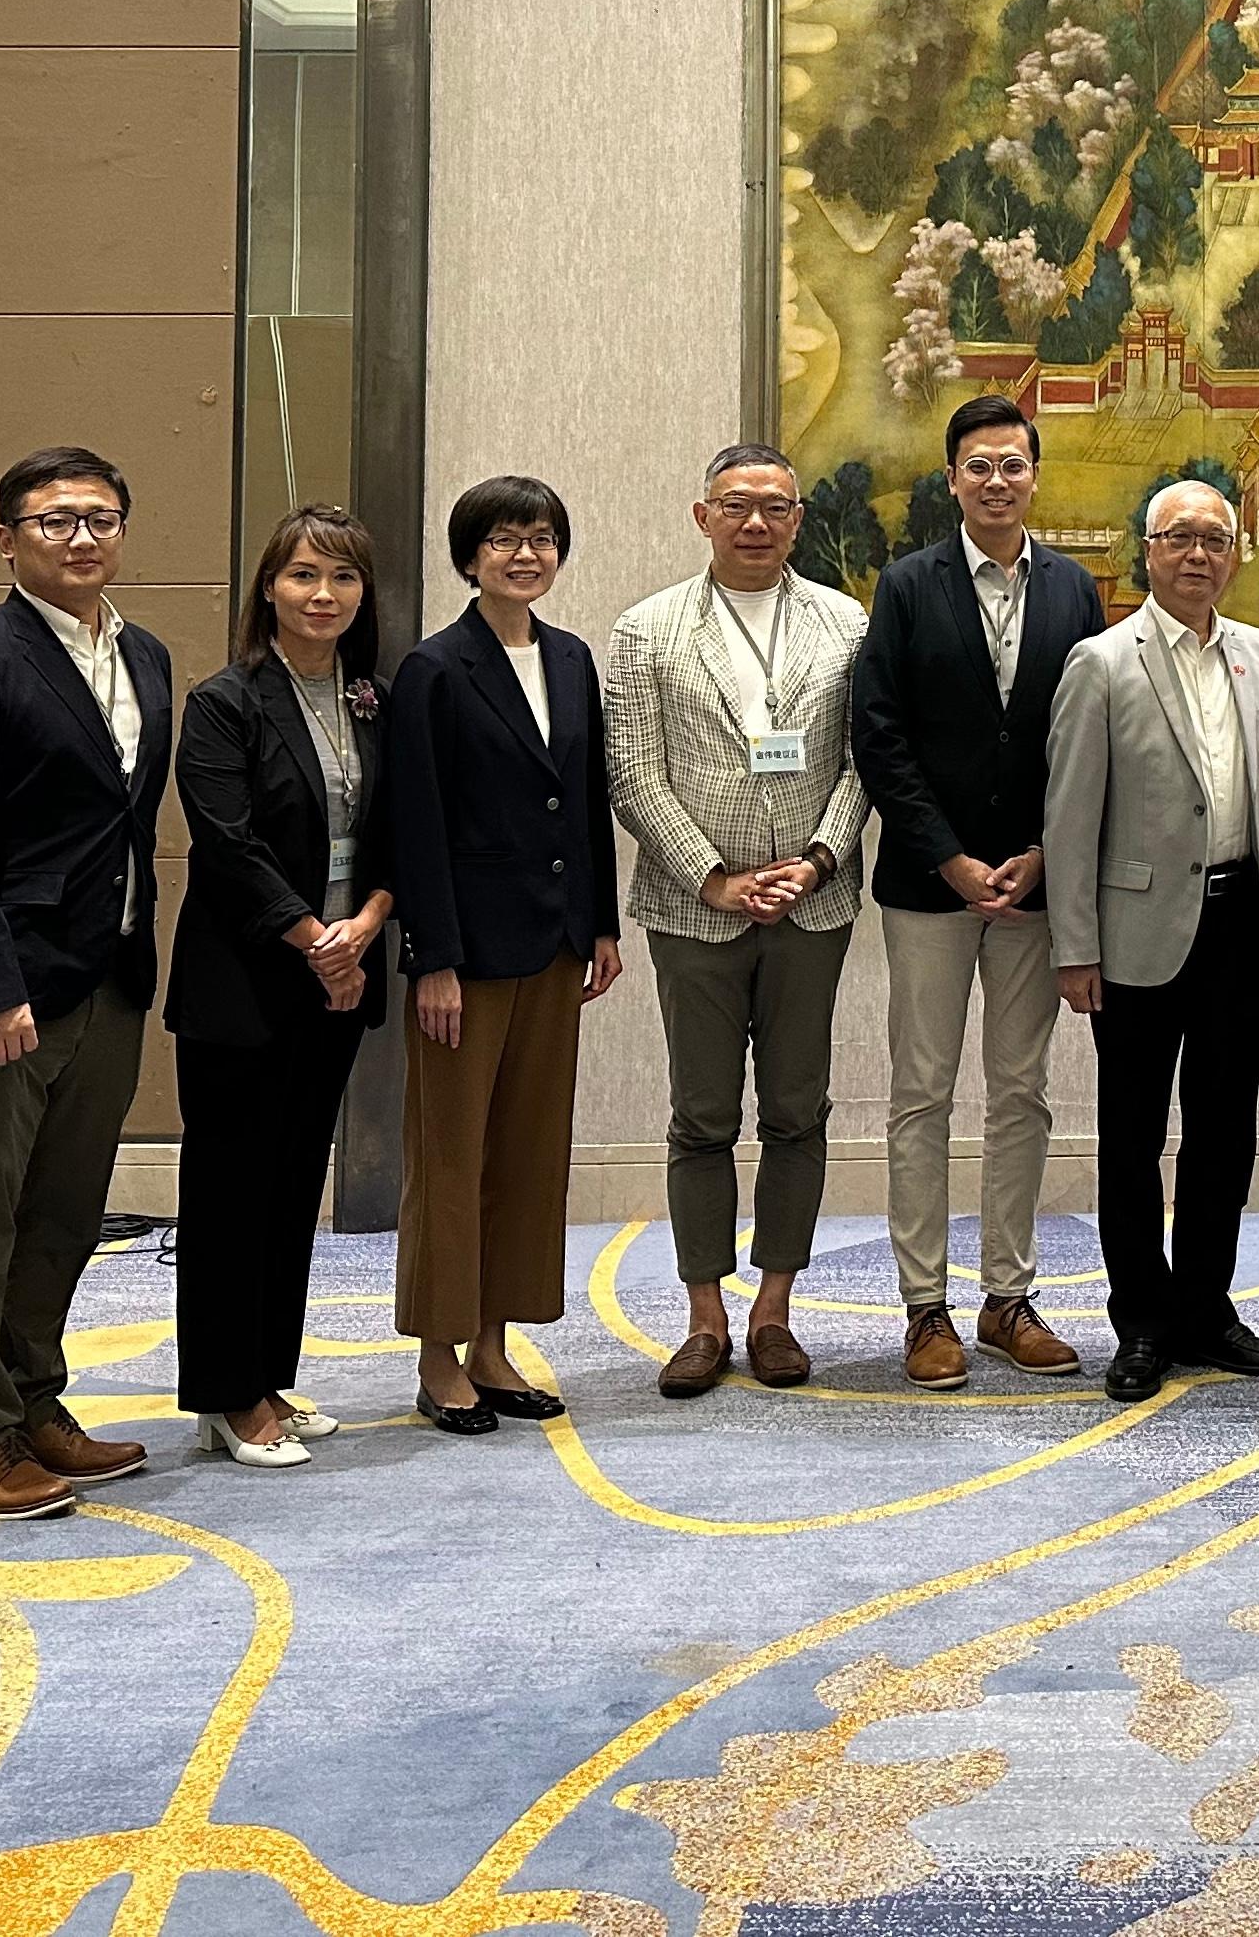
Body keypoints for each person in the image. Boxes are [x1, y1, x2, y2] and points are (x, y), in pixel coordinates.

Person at [0, 445, 174, 1519]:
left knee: (63, 1214)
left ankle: (35, 1401)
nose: (81, 538)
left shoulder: (145, 654)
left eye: (101, 518)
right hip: (2, 996)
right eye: (55, 521)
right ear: (7, 537)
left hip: (109, 978)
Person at [849, 393, 1106, 1389]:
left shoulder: (1075, 591)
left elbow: (1082, 739)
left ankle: (1008, 1297)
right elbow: (881, 735)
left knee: (1021, 1091)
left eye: (1014, 465)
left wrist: (1045, 850)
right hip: (929, 884)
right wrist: (951, 856)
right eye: (979, 467)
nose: (997, 482)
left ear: (1035, 477)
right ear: (952, 480)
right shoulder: (909, 586)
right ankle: (927, 1309)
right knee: (920, 1093)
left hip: (1036, 886)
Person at [605, 444, 869, 1396]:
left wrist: (819, 858)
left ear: (798, 519)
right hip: (694, 911)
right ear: (701, 514)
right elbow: (632, 772)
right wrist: (713, 877)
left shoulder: (846, 624)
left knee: (798, 1111)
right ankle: (706, 1317)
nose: (755, 522)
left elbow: (864, 762)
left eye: (774, 507)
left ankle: (775, 1311)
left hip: (815, 903)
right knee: (702, 1117)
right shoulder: (647, 630)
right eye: (735, 505)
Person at [1046, 478, 1259, 1402]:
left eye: (1215, 538)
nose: (1199, 554)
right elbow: (1071, 818)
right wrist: (1075, 946)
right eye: (1178, 537)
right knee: (1133, 1134)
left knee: (1225, 1131)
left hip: (1242, 924)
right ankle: (1142, 1321)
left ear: (1235, 553)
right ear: (1145, 551)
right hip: (1136, 932)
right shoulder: (1102, 662)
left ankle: (1206, 1307)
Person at [386, 475, 622, 1435]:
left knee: (527, 1152)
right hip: (468, 957)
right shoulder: (435, 669)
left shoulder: (570, 659)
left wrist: (600, 924)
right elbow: (417, 821)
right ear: (469, 555)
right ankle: (439, 1355)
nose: (525, 555)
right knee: (451, 1153)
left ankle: (493, 1342)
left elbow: (587, 798)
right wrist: (432, 957)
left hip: (556, 944)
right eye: (504, 539)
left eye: (541, 539)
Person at [166, 505, 392, 1470]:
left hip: (340, 970)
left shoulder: (372, 699)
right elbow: (226, 843)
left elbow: (400, 829)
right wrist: (315, 940)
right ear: (269, 588)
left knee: (295, 1182)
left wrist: (367, 927)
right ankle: (225, 1393)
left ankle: (268, 1375)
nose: (323, 594)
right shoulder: (228, 702)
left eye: (342, 578)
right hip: (247, 980)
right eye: (304, 575)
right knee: (231, 1190)